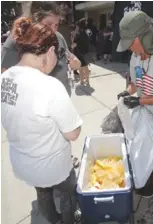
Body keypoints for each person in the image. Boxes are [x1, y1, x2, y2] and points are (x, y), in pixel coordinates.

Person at [1, 17, 83, 224]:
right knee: (68, 193)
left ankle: (52, 220)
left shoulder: (4, 79)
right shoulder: (49, 86)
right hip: (53, 165)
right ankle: (68, 220)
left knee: (43, 194)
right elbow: (72, 133)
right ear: (49, 52)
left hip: (23, 163)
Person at [1, 1, 81, 168]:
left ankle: (65, 161)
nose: (53, 29)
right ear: (35, 22)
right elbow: (5, 73)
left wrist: (75, 63)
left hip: (60, 100)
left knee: (63, 137)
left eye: (57, 24)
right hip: (34, 110)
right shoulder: (17, 40)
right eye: (48, 24)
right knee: (41, 154)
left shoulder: (58, 38)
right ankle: (45, 188)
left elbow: (71, 59)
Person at [117, 11, 153, 197]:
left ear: (144, 36)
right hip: (144, 112)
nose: (129, 49)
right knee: (145, 146)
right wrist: (127, 92)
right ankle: (144, 175)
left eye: (130, 43)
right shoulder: (135, 56)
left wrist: (140, 100)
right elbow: (136, 83)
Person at [72, 19, 90, 86]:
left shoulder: (77, 34)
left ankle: (82, 82)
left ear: (78, 26)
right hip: (85, 52)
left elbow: (74, 44)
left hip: (79, 53)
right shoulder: (86, 33)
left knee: (81, 68)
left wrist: (71, 47)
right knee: (86, 67)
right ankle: (87, 81)